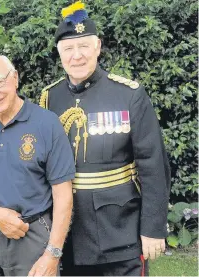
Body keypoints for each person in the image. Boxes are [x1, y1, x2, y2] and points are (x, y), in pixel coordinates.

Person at [39, 1, 171, 275]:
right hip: (68, 232)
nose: (77, 55)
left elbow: (153, 165)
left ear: (97, 47)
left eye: (84, 46)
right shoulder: (49, 98)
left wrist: (153, 228)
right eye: (68, 48)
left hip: (119, 229)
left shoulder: (128, 94)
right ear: (59, 53)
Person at [0, 54, 75, 276]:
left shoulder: (47, 123)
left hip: (31, 233)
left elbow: (63, 194)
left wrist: (53, 253)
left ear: (15, 79)